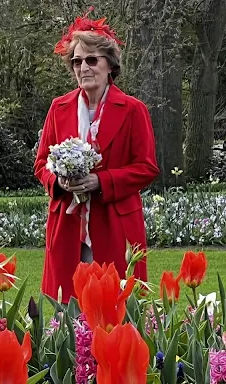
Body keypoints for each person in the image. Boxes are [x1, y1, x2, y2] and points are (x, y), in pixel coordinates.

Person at [33, 10, 160, 304]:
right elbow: (41, 164)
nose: (84, 67)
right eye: (77, 61)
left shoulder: (132, 109)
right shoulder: (58, 108)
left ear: (109, 65)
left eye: (92, 60)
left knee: (115, 308)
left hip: (115, 225)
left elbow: (146, 167)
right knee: (70, 309)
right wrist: (59, 182)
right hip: (67, 227)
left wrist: (99, 181)